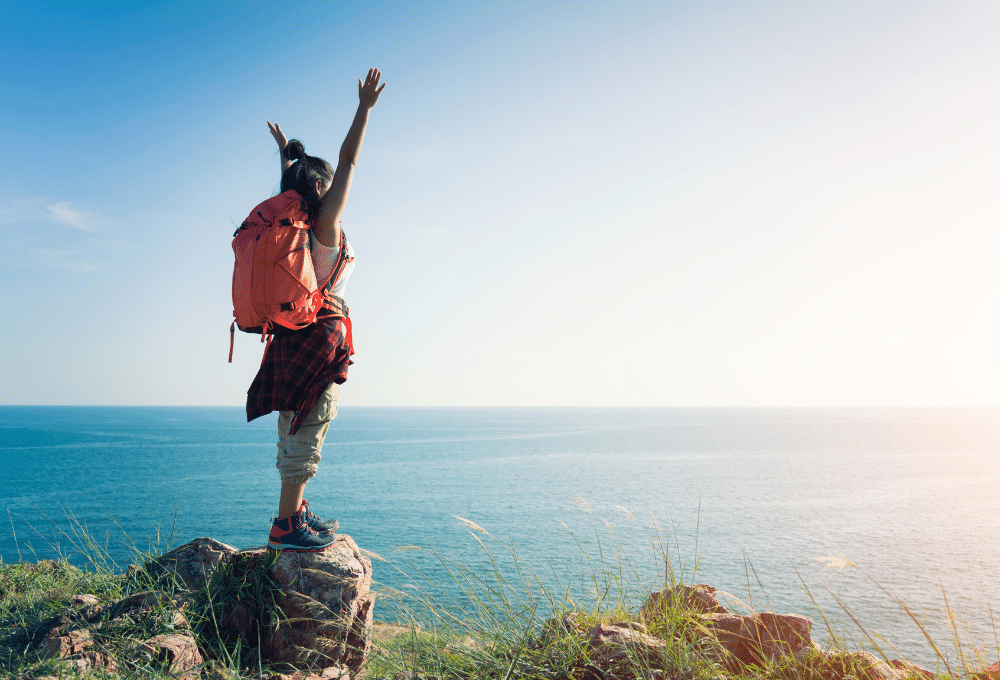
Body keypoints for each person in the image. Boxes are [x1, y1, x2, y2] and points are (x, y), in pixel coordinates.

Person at [246, 68, 385, 552]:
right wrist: (364, 109)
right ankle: (286, 527)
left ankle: (294, 511)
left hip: (289, 333)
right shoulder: (323, 225)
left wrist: (286, 154)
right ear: (321, 187)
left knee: (294, 424)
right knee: (311, 422)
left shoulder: (296, 225)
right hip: (317, 335)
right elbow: (348, 160)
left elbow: (294, 184)